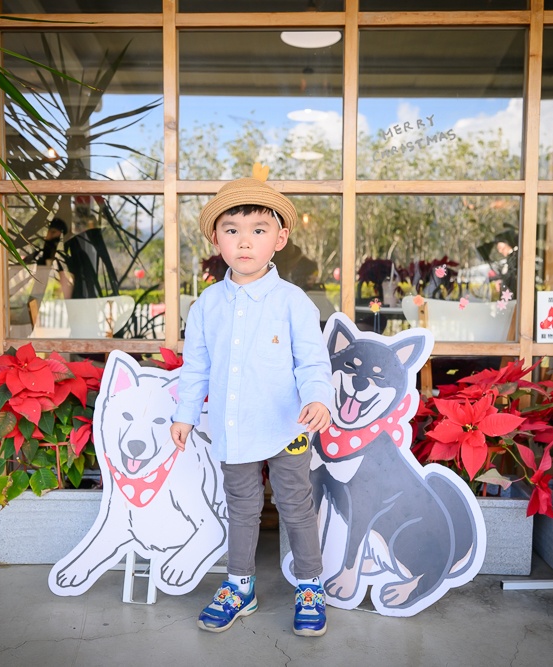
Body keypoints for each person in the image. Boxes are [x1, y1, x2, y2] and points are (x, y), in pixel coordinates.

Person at [169, 167, 334, 637]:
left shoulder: (293, 302)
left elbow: (312, 362)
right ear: (217, 240)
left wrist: (319, 398)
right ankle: (240, 587)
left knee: (296, 506)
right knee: (240, 507)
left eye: (258, 231)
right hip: (233, 427)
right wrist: (184, 415)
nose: (245, 242)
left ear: (279, 239)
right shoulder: (206, 307)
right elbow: (195, 369)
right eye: (232, 231)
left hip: (287, 426)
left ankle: (310, 585)